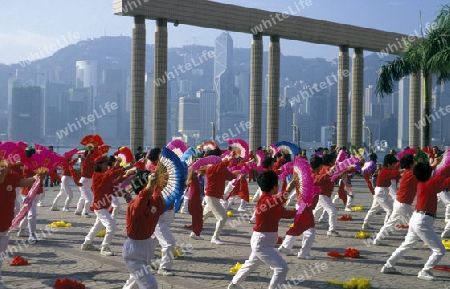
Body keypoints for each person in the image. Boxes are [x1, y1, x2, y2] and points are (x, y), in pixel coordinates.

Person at [381, 161, 450, 281]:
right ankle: (425, 271)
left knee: (406, 245)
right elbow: (443, 173)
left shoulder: (423, 184)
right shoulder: (430, 183)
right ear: (429, 173)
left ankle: (388, 265)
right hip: (422, 221)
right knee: (439, 250)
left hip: (416, 219)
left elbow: (443, 183)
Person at [228, 171, 298, 289]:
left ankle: (234, 284)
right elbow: (276, 202)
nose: (279, 187)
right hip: (261, 242)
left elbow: (282, 212)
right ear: (274, 186)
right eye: (278, 185)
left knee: (251, 264)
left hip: (264, 242)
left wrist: (300, 212)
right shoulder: (265, 200)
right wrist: (288, 190)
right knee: (282, 268)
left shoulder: (271, 200)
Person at [0, 161, 42, 287]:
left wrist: (38, 176)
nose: (5, 166)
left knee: (1, 253)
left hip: (6, 222)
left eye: (6, 164)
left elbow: (24, 182)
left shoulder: (12, 175)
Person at [122, 172, 165, 289]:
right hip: (133, 251)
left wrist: (158, 187)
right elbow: (139, 202)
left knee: (134, 283)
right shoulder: (133, 206)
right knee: (150, 285)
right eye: (149, 182)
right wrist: (150, 186)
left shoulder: (153, 204)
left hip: (147, 246)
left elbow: (159, 205)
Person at [80, 155, 127, 256]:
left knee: (97, 226)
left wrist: (118, 168)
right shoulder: (97, 175)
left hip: (103, 206)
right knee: (112, 226)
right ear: (100, 165)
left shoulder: (102, 175)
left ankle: (87, 243)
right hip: (100, 207)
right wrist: (123, 168)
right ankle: (105, 247)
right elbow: (109, 176)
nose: (107, 165)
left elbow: (112, 178)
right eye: (105, 164)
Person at [372, 153, 418, 245]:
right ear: (411, 164)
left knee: (390, 223)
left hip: (399, 202)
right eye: (414, 161)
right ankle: (410, 243)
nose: (416, 162)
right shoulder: (412, 174)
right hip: (404, 203)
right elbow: (425, 177)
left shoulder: (407, 173)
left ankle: (377, 240)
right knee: (415, 223)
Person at [202, 148, 237, 245]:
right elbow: (221, 166)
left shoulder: (219, 167)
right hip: (211, 196)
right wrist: (229, 159)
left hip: (214, 197)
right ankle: (215, 237)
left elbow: (228, 176)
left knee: (204, 216)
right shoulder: (211, 168)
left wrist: (236, 175)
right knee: (223, 217)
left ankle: (194, 232)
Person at [362, 154, 401, 231]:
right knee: (390, 210)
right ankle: (385, 228)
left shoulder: (387, 170)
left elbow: (397, 173)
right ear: (389, 164)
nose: (394, 165)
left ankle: (365, 224)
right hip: (380, 193)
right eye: (393, 164)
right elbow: (397, 173)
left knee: (374, 209)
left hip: (380, 192)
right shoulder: (385, 171)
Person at [74, 146, 96, 218]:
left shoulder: (92, 161)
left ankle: (78, 210)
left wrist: (95, 151)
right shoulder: (85, 162)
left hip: (89, 180)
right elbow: (87, 157)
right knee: (89, 198)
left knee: (83, 196)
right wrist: (90, 151)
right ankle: (85, 212)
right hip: (84, 181)